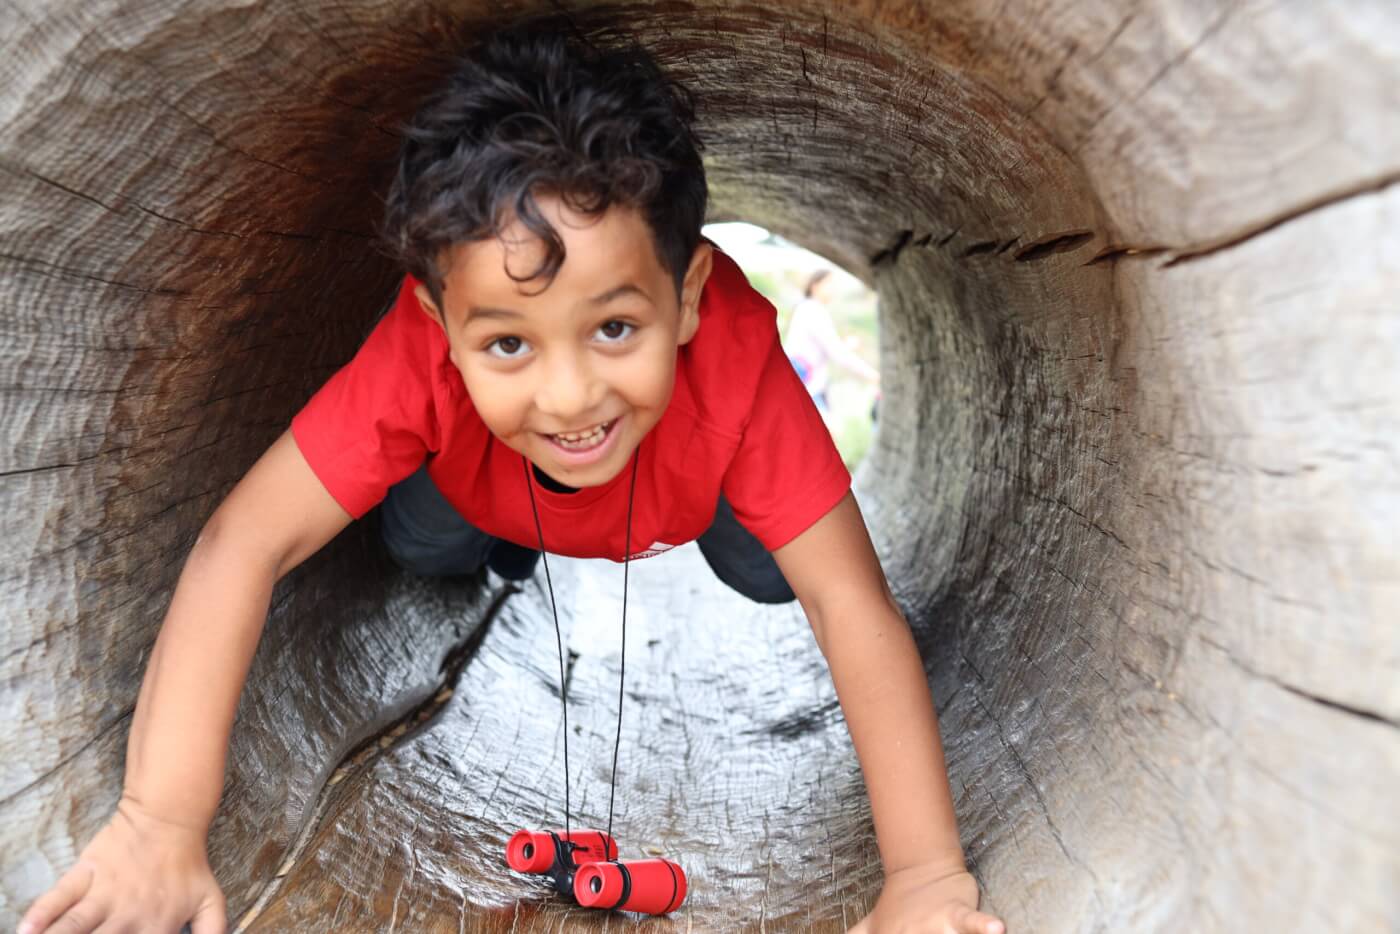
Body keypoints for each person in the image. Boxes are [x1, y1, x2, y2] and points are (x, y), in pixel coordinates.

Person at [19, 22, 1006, 934]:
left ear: (690, 296)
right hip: (478, 494)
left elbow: (850, 605)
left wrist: (922, 875)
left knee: (772, 568)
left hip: (688, 494)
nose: (568, 394)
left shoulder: (734, 367)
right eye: (505, 343)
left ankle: (700, 520)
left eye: (613, 327)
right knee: (421, 545)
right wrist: (159, 819)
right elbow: (244, 542)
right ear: (441, 323)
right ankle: (493, 537)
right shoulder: (419, 358)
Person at [784, 268, 880, 412]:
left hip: (804, 385)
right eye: (829, 283)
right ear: (815, 286)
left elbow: (828, 348)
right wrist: (873, 375)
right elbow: (836, 352)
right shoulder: (813, 310)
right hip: (808, 387)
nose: (834, 288)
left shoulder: (805, 308)